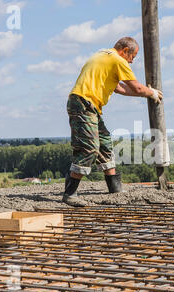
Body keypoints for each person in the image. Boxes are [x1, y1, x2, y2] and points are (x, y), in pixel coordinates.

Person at [63, 37, 163, 207]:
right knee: (89, 148)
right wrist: (151, 92)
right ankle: (70, 194)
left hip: (87, 105)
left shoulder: (103, 54)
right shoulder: (117, 59)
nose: (131, 61)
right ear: (125, 50)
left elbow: (119, 88)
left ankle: (114, 187)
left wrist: (145, 93)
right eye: (132, 56)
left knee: (104, 143)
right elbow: (137, 87)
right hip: (84, 104)